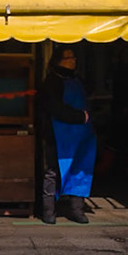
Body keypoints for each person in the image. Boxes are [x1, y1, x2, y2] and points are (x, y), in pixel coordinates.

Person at [38, 45, 95, 224]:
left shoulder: (77, 80)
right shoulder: (52, 82)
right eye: (69, 58)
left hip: (81, 137)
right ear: (58, 61)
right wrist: (79, 116)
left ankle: (77, 210)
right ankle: (49, 212)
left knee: (80, 170)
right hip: (58, 136)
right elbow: (55, 108)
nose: (73, 61)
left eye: (74, 57)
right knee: (53, 172)